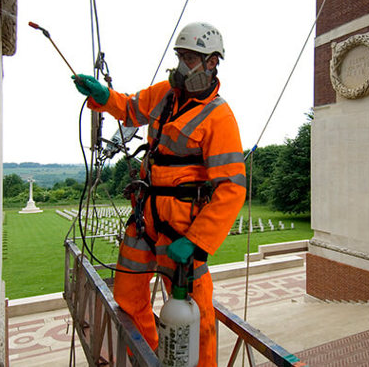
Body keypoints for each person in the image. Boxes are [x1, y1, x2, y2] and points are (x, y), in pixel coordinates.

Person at [72, 22, 246, 366]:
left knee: (194, 309)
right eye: (180, 56)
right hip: (146, 212)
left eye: (191, 58)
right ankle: (149, 356)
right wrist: (105, 98)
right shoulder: (166, 94)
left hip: (182, 224)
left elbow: (231, 187)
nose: (182, 65)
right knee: (127, 295)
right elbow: (132, 109)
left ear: (212, 63)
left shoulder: (219, 116)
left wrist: (197, 241)